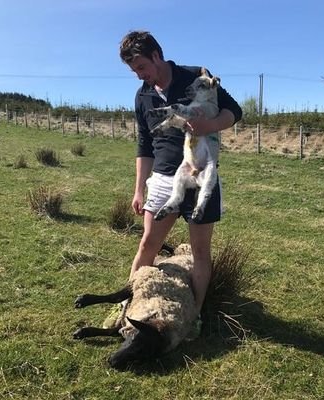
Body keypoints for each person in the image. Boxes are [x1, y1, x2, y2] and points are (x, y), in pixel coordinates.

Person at [119, 31, 242, 316]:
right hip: (163, 179)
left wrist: (209, 126)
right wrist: (139, 189)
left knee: (200, 252)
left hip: (201, 176)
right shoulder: (143, 97)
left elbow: (234, 110)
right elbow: (144, 145)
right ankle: (128, 306)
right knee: (148, 245)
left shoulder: (196, 77)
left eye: (141, 67)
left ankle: (194, 315)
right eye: (133, 70)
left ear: (156, 56)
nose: (139, 75)